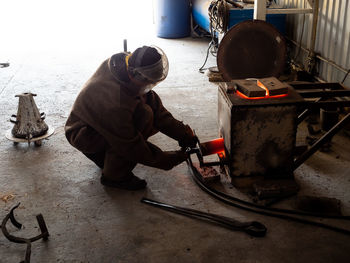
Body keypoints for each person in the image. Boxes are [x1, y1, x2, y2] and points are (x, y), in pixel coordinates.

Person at [65, 45, 197, 190]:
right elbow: (130, 144)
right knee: (144, 118)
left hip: (100, 121)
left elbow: (157, 109)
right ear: (136, 76)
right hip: (84, 133)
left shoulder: (127, 64)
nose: (150, 85)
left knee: (147, 107)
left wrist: (183, 134)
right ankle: (115, 177)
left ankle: (106, 158)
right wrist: (166, 160)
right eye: (148, 82)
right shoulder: (116, 102)